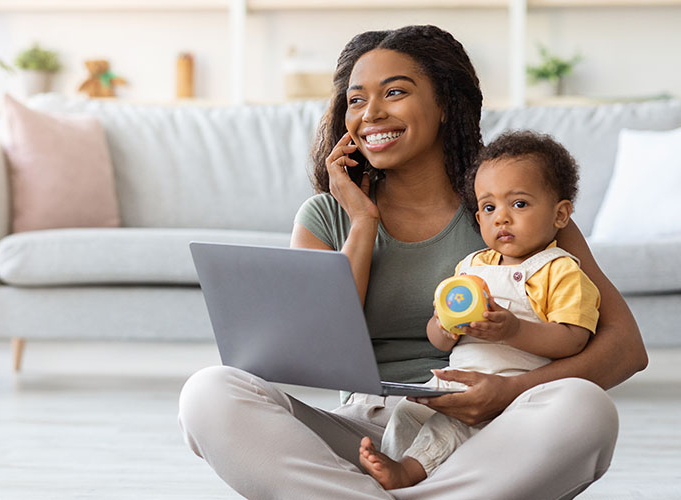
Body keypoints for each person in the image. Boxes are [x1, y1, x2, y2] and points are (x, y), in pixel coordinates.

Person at [177, 25, 647, 500]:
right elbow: (312, 349)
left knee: (586, 407)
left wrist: (509, 392)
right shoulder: (325, 215)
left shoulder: (515, 210)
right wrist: (362, 223)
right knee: (209, 393)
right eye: (356, 101)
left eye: (395, 92)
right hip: (366, 431)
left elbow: (626, 348)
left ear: (445, 104)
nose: (371, 114)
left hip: (493, 430)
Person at [358, 130, 601, 490]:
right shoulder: (471, 266)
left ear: (561, 214)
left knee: (452, 428)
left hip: (512, 392)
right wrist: (443, 327)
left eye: (518, 204)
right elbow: (439, 338)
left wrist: (514, 331)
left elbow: (573, 339)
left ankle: (408, 475)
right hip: (455, 380)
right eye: (489, 207)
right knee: (408, 413)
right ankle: (395, 475)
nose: (501, 218)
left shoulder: (561, 270)